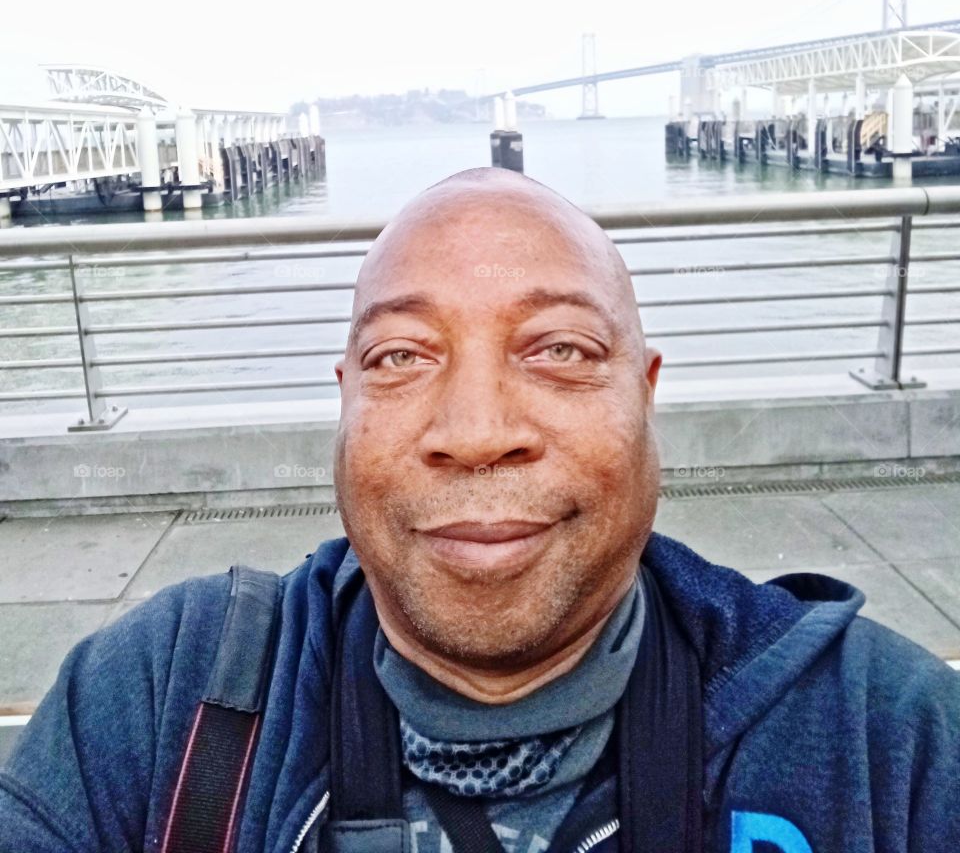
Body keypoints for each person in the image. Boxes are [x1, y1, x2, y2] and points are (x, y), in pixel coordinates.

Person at [1, 167, 958, 853]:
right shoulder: (163, 701)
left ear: (646, 393)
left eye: (561, 349)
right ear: (345, 400)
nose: (475, 429)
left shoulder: (888, 739)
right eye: (402, 357)